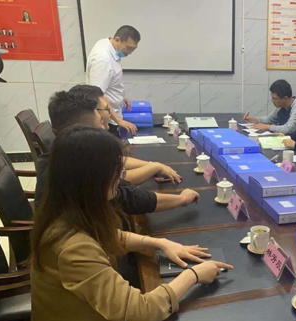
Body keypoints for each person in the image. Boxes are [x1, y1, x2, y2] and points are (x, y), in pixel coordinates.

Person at [30, 125, 233, 321]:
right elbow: (139, 311)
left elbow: (110, 236)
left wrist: (158, 243)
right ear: (90, 179)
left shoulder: (65, 211)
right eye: (115, 172)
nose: (121, 177)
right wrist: (194, 274)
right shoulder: (73, 247)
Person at [34, 89, 199, 215]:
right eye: (102, 116)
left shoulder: (61, 157)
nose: (106, 123)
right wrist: (181, 199)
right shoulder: (81, 170)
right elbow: (126, 197)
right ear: (83, 129)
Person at [67, 84, 182, 186]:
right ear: (94, 112)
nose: (109, 115)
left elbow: (116, 161)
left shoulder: (85, 138)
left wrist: (151, 165)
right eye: (107, 109)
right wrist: (154, 168)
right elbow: (115, 180)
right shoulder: (81, 145)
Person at [86, 25, 140, 136]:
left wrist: (120, 98)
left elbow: (108, 81)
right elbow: (96, 95)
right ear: (117, 39)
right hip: (107, 122)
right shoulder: (103, 59)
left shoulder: (107, 45)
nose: (130, 52)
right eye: (129, 48)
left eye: (133, 49)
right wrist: (118, 120)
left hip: (111, 115)